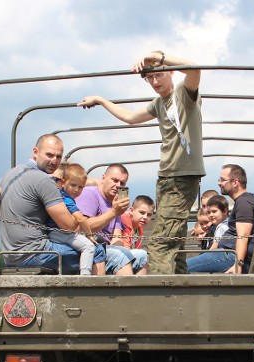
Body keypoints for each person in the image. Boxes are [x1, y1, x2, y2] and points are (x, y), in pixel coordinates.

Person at [78, 51, 205, 274]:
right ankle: (181, 284)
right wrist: (100, 100)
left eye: (159, 75)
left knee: (160, 243)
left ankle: (160, 295)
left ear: (170, 72)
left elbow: (195, 68)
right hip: (166, 177)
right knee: (175, 237)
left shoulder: (183, 94)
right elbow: (129, 117)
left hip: (182, 177)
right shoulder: (159, 103)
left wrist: (158, 55)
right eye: (149, 78)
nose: (155, 82)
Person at [0, 134, 106, 274]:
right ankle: (92, 295)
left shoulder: (12, 173)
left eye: (58, 157)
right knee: (97, 250)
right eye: (49, 155)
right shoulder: (43, 180)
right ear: (35, 152)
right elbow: (68, 226)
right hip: (34, 253)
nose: (54, 161)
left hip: (9, 254)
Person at [187, 164, 254, 274]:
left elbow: (243, 237)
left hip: (230, 256)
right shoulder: (243, 201)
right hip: (226, 254)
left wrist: (238, 264)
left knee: (181, 267)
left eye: (222, 180)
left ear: (235, 182)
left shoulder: (244, 203)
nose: (219, 183)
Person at [75, 164, 147, 275]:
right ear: (104, 178)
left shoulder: (116, 202)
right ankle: (125, 292)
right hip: (90, 248)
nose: (118, 185)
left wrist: (116, 211)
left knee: (142, 255)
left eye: (122, 183)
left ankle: (141, 292)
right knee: (121, 256)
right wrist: (113, 212)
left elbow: (117, 238)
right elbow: (82, 228)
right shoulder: (90, 194)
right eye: (114, 180)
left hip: (108, 249)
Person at [44, 162, 104, 276]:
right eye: (73, 185)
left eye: (80, 187)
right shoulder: (67, 199)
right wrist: (89, 234)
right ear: (63, 182)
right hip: (58, 233)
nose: (76, 190)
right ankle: (85, 275)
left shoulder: (60, 194)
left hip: (55, 232)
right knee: (89, 246)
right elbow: (80, 219)